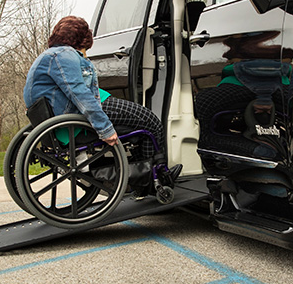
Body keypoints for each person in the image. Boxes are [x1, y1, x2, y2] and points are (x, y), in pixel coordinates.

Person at [23, 16, 179, 193]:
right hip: (83, 111)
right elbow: (79, 93)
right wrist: (105, 129)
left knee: (140, 128)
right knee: (151, 122)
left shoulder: (49, 56)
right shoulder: (64, 55)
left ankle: (143, 180)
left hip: (77, 110)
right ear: (81, 39)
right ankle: (156, 179)